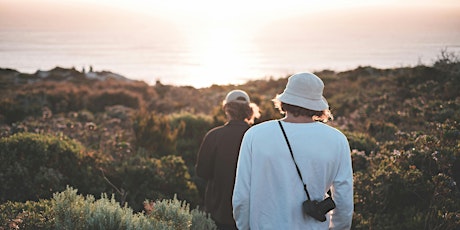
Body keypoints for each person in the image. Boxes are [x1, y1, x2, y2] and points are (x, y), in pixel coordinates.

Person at [233, 72, 354, 230]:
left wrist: (244, 227)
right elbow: (343, 197)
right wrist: (338, 227)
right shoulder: (337, 140)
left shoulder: (255, 135)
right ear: (317, 105)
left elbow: (242, 197)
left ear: (285, 101)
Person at [195, 89, 260, 230]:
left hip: (219, 211)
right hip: (252, 212)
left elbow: (202, 172)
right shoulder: (258, 136)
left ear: (226, 109)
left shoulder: (214, 136)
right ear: (249, 110)